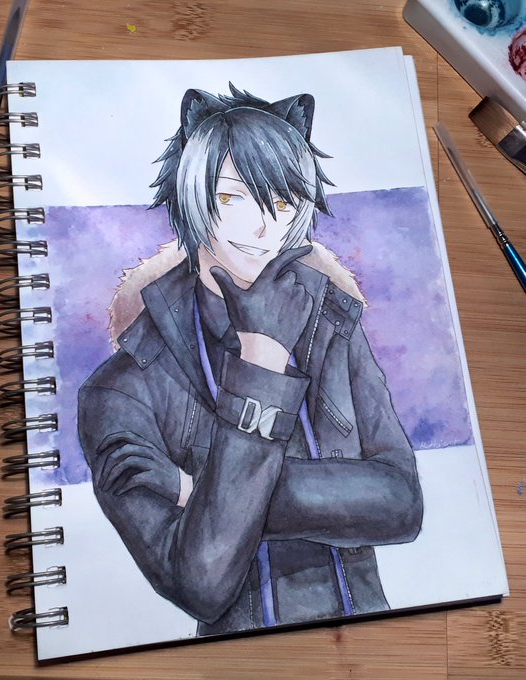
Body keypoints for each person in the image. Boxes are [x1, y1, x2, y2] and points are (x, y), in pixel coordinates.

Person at [78, 84, 423, 635]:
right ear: (191, 196)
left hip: (371, 642)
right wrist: (261, 363)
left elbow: (401, 505)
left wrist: (197, 491)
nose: (263, 227)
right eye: (233, 198)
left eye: (282, 204)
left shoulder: (331, 327)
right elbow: (201, 587)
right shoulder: (122, 391)